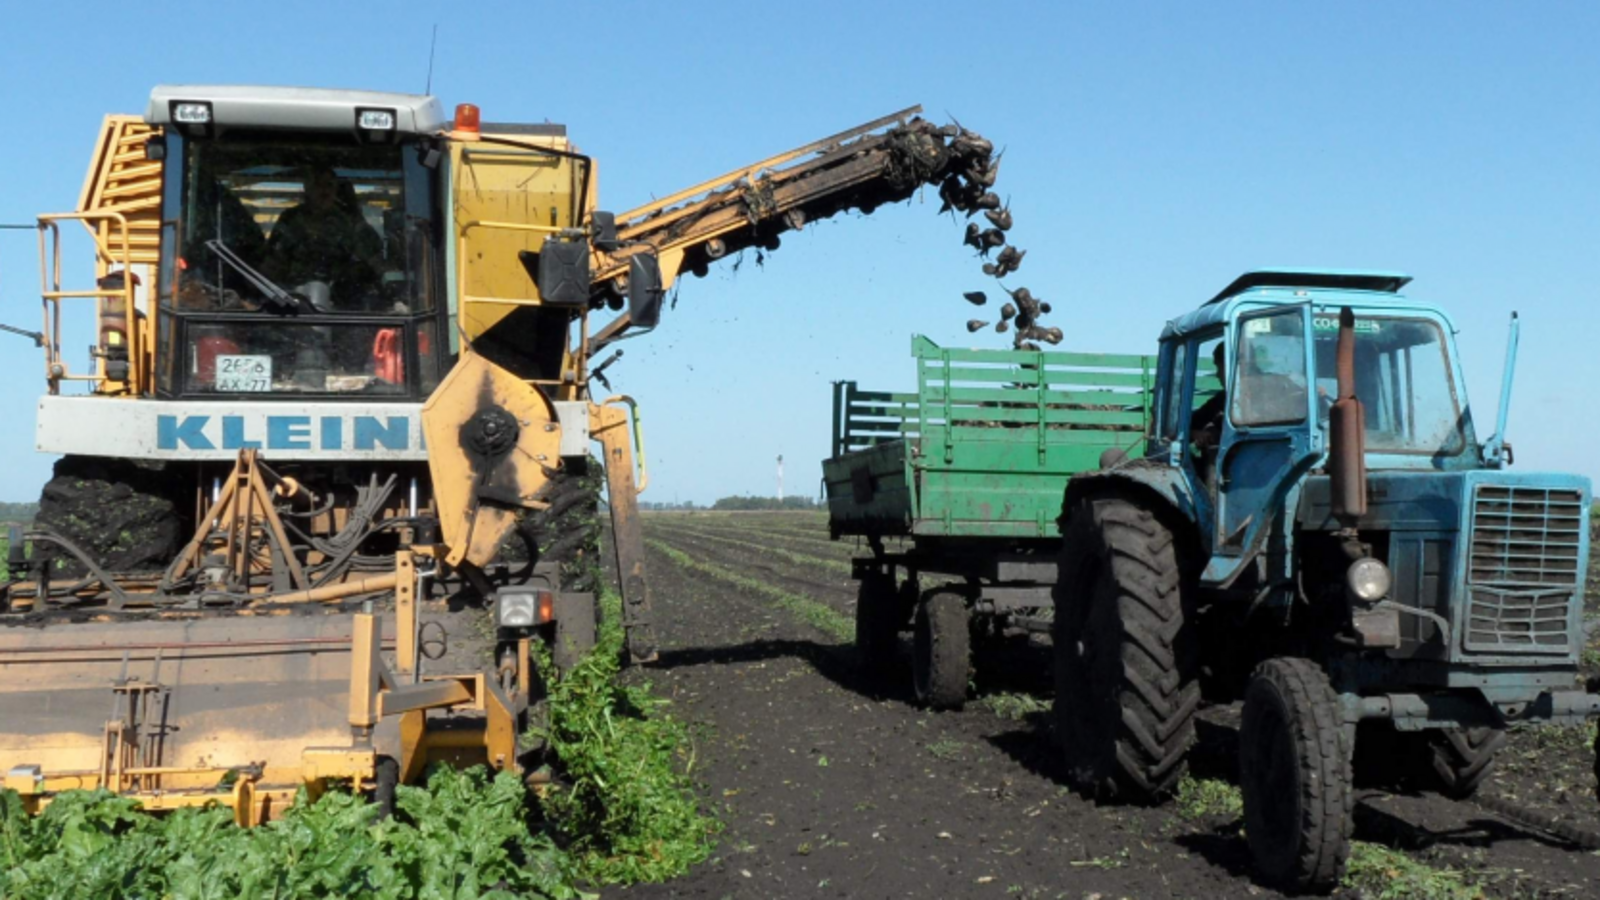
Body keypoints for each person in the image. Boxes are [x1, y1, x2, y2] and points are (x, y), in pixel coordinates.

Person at [264, 164, 383, 307]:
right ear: (307, 189)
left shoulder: (350, 223)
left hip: (341, 300)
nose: (324, 191)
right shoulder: (290, 219)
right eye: (318, 185)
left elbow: (375, 261)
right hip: (292, 299)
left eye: (329, 185)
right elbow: (273, 261)